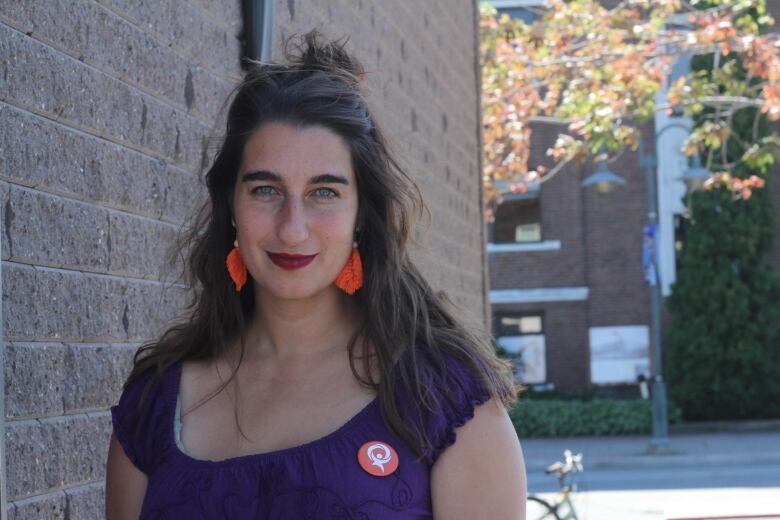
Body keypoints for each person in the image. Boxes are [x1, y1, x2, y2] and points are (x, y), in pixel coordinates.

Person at [105, 30, 527, 519]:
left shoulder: (439, 395)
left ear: (361, 216)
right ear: (231, 207)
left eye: (324, 192)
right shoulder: (154, 403)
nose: (292, 228)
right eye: (265, 190)